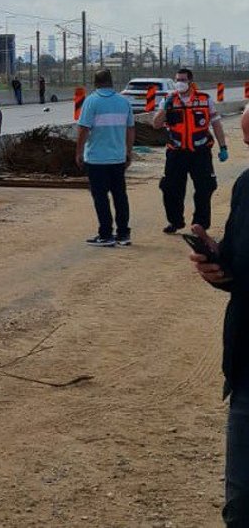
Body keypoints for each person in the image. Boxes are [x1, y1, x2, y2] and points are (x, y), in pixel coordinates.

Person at [188, 106, 248, 524]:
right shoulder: (247, 187)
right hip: (247, 371)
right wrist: (217, 268)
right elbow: (237, 269)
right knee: (241, 505)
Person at [153, 67, 229, 234]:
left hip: (200, 152)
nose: (179, 83)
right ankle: (175, 221)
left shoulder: (204, 99)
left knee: (205, 188)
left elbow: (216, 124)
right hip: (176, 152)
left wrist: (223, 146)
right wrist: (164, 108)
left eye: (183, 80)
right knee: (170, 188)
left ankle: (200, 224)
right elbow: (156, 124)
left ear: (190, 82)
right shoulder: (169, 100)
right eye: (177, 80)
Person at [75, 68, 135, 246]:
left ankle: (106, 234)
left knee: (101, 197)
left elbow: (83, 129)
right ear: (111, 82)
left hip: (96, 159)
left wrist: (78, 152)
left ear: (95, 83)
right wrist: (128, 152)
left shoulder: (91, 101)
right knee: (120, 196)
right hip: (118, 158)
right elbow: (131, 128)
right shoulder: (124, 102)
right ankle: (123, 234)